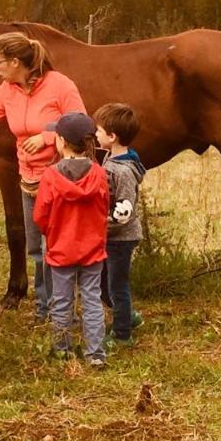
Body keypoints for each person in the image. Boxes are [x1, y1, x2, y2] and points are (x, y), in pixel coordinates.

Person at [0, 32, 86, 323]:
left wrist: (46, 137)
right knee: (36, 249)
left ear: (16, 62)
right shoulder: (8, 89)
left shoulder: (59, 85)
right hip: (28, 180)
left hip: (58, 179)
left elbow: (82, 123)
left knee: (52, 248)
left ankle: (60, 309)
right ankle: (45, 307)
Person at [33, 112, 109, 367]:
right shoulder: (99, 174)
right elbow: (104, 208)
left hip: (61, 249)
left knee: (62, 301)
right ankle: (96, 353)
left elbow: (40, 215)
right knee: (92, 299)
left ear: (61, 141)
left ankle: (62, 349)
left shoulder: (51, 176)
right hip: (92, 249)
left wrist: (52, 232)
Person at [93, 102, 147, 347]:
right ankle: (126, 317)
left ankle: (123, 333)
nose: (95, 134)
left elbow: (124, 210)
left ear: (112, 137)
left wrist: (99, 223)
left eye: (99, 131)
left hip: (121, 238)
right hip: (111, 237)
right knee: (106, 282)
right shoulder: (112, 160)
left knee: (117, 285)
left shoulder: (122, 170)